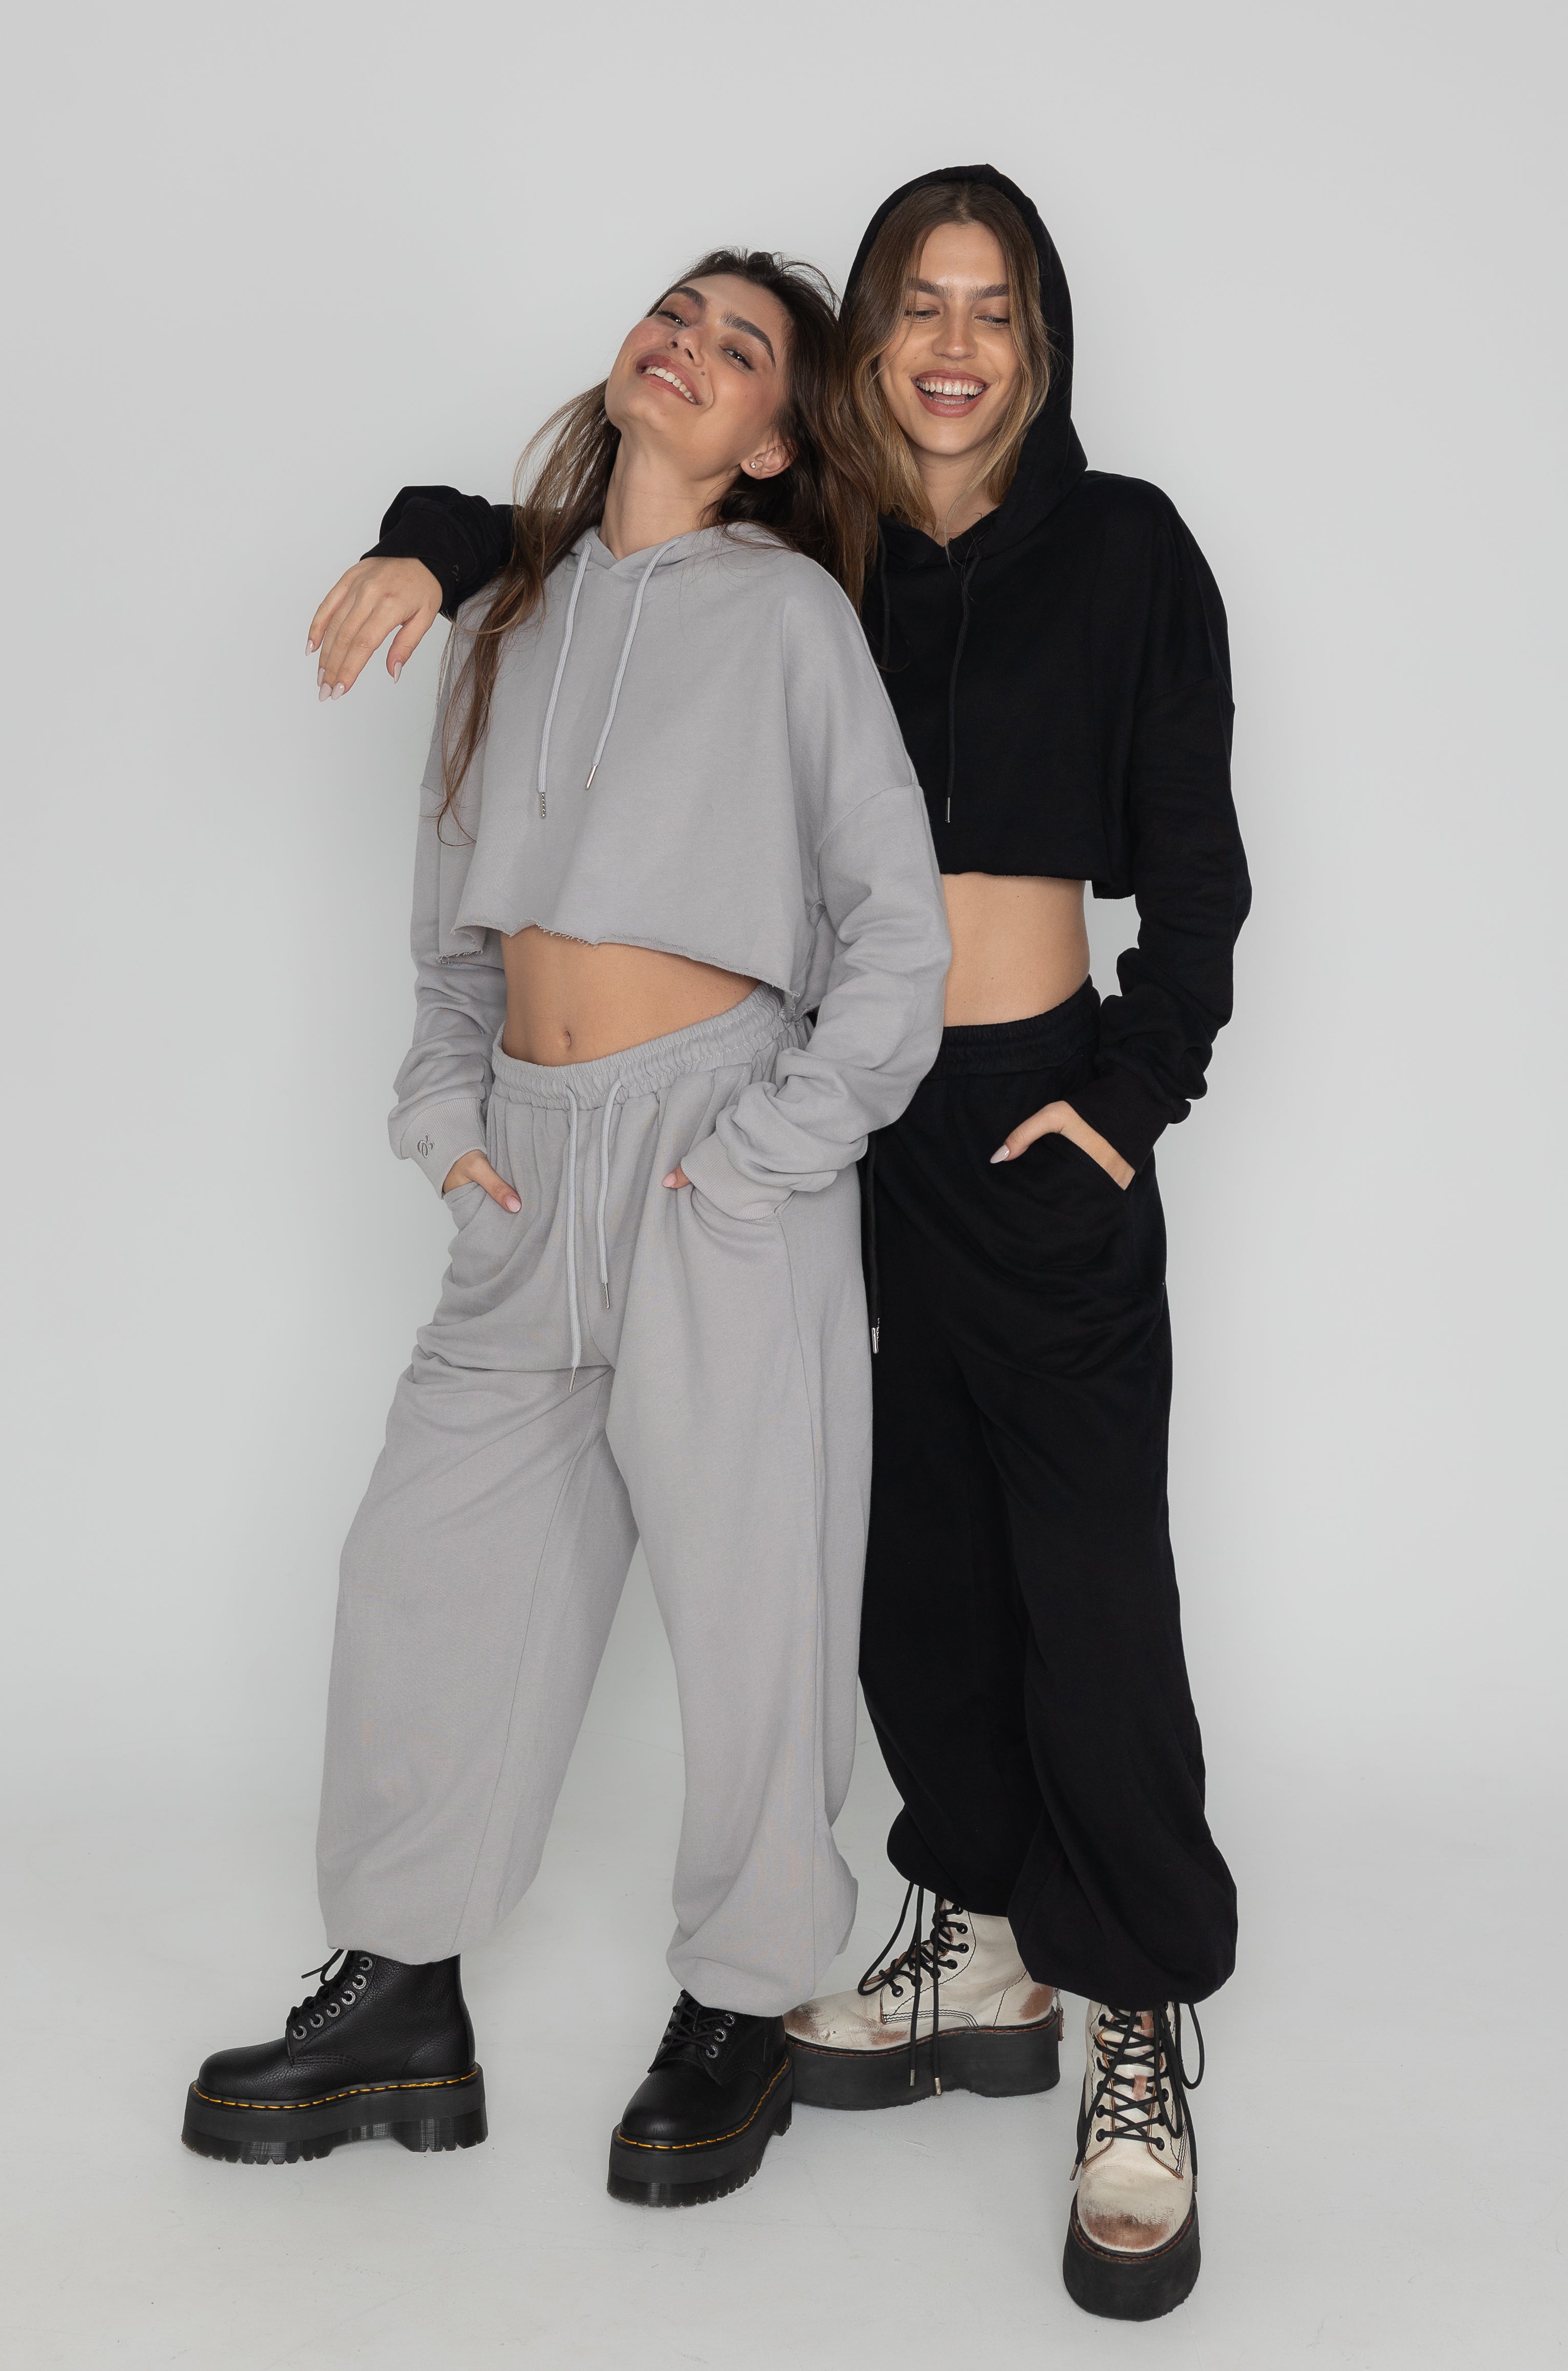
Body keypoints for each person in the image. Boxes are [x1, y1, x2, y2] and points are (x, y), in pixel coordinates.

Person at [315, 164, 1248, 2322]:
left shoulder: (1124, 547)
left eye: (993, 309)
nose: (952, 342)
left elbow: (1194, 855)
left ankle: (1135, 2021)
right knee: (894, 1564)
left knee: (1088, 1571)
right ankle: (977, 1937)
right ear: (854, 370)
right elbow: (561, 540)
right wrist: (426, 540)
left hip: (1030, 1106)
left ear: (1040, 343)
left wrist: (1131, 1092)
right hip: (834, 1117)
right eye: (917, 303)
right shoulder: (821, 552)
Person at [181, 250, 950, 2213]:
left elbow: (898, 931)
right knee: (425, 1570)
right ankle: (400, 1991)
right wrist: (450, 1128)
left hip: (718, 1152)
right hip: (528, 1167)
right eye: (674, 314)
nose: (686, 346)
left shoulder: (789, 618)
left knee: (757, 1600)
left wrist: (769, 1151)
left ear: (773, 440)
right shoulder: (506, 615)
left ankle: (747, 1997)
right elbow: (452, 936)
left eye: (739, 347)